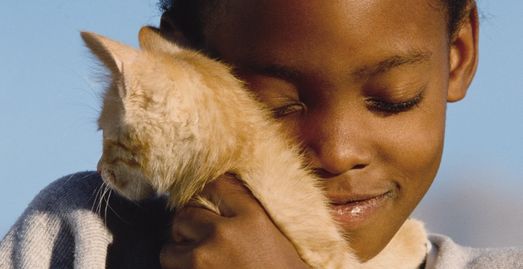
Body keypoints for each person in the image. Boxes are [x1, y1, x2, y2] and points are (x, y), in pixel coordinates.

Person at [0, 0, 521, 268]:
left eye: (393, 98)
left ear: (458, 56)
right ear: (182, 66)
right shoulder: (81, 236)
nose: (339, 152)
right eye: (273, 107)